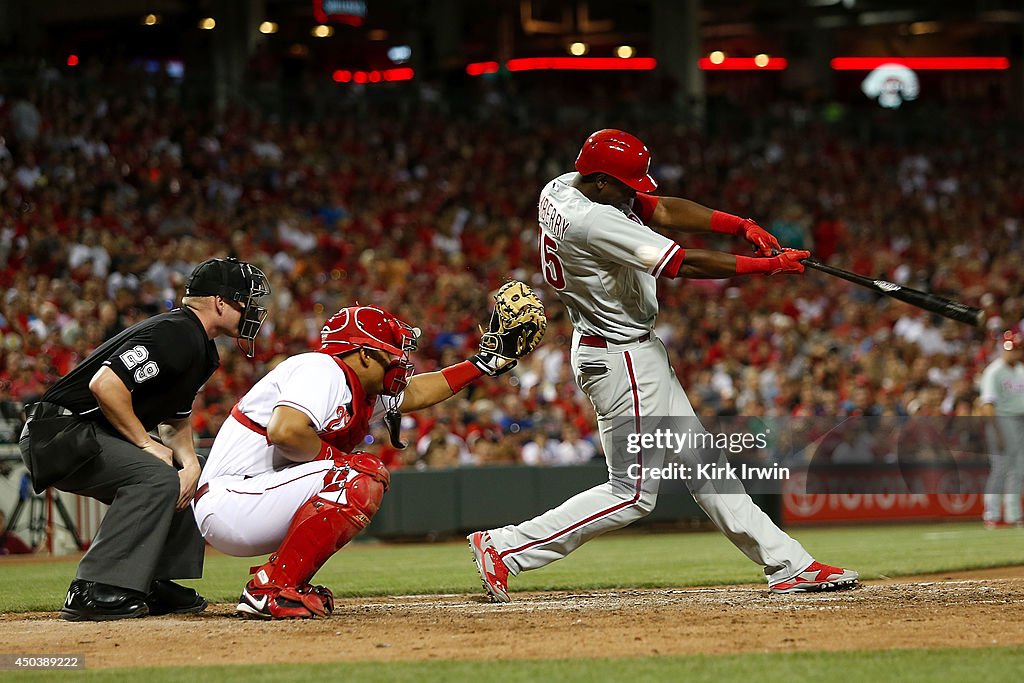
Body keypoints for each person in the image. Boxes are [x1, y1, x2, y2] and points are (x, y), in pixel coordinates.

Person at [468, 129, 859, 601]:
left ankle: (788, 564)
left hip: (625, 348)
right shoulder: (593, 221)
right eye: (627, 185)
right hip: (621, 354)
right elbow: (682, 265)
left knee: (705, 465)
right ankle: (505, 548)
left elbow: (664, 209)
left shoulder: (563, 187)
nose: (636, 193)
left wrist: (741, 225)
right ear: (600, 182)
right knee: (631, 494)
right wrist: (767, 268)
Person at [195, 301, 537, 619]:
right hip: (233, 500)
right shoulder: (322, 368)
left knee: (355, 474)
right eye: (390, 354)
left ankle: (284, 583)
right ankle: (268, 589)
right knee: (358, 475)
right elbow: (285, 431)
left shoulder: (355, 383)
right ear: (361, 355)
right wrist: (340, 462)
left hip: (254, 497)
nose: (399, 361)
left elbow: (416, 392)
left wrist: (481, 364)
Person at [18, 257, 271, 620]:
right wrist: (144, 443)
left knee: (182, 478)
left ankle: (148, 581)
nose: (251, 309)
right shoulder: (177, 332)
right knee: (155, 476)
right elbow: (105, 385)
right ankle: (91, 588)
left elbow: (175, 423)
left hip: (84, 431)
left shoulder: (198, 345)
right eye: (245, 300)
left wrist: (190, 462)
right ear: (220, 302)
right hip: (58, 431)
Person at [980, 330, 1024, 529]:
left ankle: (1013, 515)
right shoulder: (993, 371)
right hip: (1002, 420)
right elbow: (987, 404)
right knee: (1000, 469)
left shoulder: (1021, 370)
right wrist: (996, 432)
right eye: (1009, 349)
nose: (1012, 353)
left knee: (1019, 470)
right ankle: (992, 513)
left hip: (1020, 421)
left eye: (1015, 349)